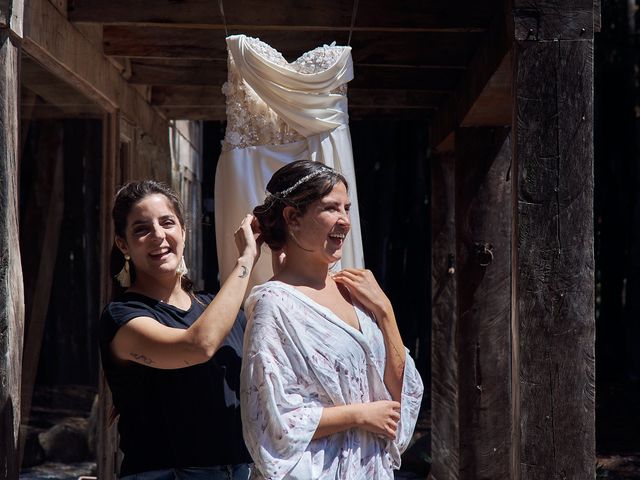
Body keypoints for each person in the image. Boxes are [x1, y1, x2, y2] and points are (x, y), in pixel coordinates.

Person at [241, 160, 424, 479]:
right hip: (317, 470)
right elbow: (273, 420)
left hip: (368, 468)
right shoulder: (275, 304)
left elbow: (397, 395)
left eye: (347, 208)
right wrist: (357, 415)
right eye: (330, 208)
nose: (344, 221)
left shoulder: (357, 291)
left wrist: (385, 311)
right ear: (292, 218)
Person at [99, 180, 258, 479]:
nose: (158, 235)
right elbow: (197, 346)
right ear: (124, 245)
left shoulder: (222, 311)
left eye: (167, 223)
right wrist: (246, 259)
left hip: (240, 471)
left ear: (183, 232)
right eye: (141, 229)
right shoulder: (122, 317)